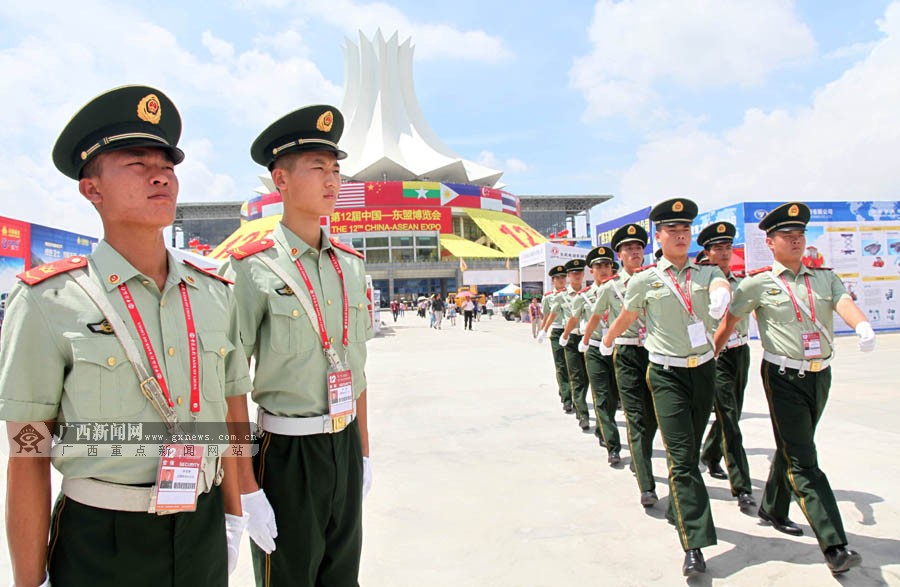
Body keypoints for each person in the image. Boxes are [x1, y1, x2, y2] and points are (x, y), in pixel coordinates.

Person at [0, 85, 251, 587]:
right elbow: (28, 453)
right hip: (102, 540)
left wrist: (234, 514)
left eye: (168, 164)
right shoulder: (50, 301)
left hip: (201, 527)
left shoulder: (214, 293)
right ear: (92, 190)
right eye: (136, 163)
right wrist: (30, 580)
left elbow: (228, 414)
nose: (161, 174)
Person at [221, 104, 373, 586]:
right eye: (317, 169)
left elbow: (359, 369)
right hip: (286, 453)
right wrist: (245, 488)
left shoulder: (350, 264)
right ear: (280, 181)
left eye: (336, 170)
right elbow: (229, 385)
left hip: (344, 445)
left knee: (341, 575)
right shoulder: (251, 267)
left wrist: (363, 454)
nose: (332, 181)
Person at [714, 202, 875, 576]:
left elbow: (843, 302)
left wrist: (862, 325)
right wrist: (711, 358)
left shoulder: (824, 279)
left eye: (800, 234)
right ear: (770, 242)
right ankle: (835, 544)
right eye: (788, 236)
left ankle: (772, 506)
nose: (797, 240)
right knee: (804, 459)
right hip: (783, 376)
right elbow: (729, 322)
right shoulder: (757, 284)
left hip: (820, 375)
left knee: (792, 445)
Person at [601, 199, 732, 577]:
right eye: (672, 230)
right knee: (681, 457)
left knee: (689, 450)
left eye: (685, 230)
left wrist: (722, 291)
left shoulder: (704, 274)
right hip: (666, 374)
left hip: (703, 371)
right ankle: (695, 544)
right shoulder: (645, 279)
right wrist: (609, 338)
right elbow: (628, 313)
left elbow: (720, 280)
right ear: (659, 236)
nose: (679, 235)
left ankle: (680, 507)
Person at [584, 224, 657, 492]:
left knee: (652, 417)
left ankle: (640, 457)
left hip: (655, 351)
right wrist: (591, 340)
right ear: (621, 255)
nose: (635, 252)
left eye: (638, 247)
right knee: (634, 414)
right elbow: (594, 317)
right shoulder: (610, 288)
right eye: (629, 248)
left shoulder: (656, 278)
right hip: (625, 351)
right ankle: (645, 482)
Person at [696, 222, 755, 512]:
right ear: (706, 253)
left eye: (727, 247)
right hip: (715, 357)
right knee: (730, 418)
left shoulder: (742, 283)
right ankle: (742, 486)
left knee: (731, 413)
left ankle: (709, 453)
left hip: (740, 352)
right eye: (717, 248)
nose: (723, 252)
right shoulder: (702, 284)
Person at [567, 247, 621, 462]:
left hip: (618, 348)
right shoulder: (583, 297)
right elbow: (573, 318)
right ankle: (612, 445)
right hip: (596, 348)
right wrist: (570, 336)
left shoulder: (621, 289)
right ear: (591, 270)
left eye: (607, 265)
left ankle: (602, 427)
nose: (604, 269)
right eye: (598, 266)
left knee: (615, 397)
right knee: (601, 395)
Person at [543, 258, 591, 431]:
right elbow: (550, 314)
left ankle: (577, 400)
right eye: (572, 273)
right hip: (566, 336)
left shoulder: (590, 293)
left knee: (586, 376)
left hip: (586, 337)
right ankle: (578, 409)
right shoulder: (559, 296)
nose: (575, 276)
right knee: (569, 371)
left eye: (579, 272)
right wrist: (543, 330)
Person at [537, 266, 572, 413]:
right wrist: (543, 330)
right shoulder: (548, 297)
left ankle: (569, 393)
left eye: (563, 277)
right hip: (557, 331)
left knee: (573, 366)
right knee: (561, 365)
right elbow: (546, 315)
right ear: (553, 281)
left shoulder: (573, 294)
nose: (561, 280)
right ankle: (567, 398)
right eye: (558, 278)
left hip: (572, 331)